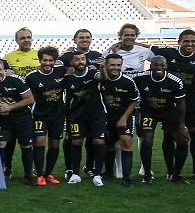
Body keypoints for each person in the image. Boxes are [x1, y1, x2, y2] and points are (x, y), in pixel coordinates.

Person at [151, 29, 195, 181]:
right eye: (186, 41)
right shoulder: (168, 53)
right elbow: (147, 48)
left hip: (191, 102)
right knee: (169, 135)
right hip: (171, 103)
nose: (189, 44)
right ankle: (170, 171)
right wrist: (120, 44)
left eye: (192, 41)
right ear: (179, 42)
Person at [0, 59, 38, 185]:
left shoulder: (16, 80)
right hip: (3, 119)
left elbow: (29, 99)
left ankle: (29, 174)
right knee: (1, 143)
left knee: (25, 145)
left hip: (22, 118)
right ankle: (3, 172)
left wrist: (11, 107)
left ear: (4, 70)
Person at [135, 54, 188, 185]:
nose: (159, 67)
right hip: (148, 112)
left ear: (166, 66)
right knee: (147, 140)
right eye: (156, 64)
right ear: (150, 66)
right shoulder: (140, 78)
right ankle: (147, 174)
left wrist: (181, 124)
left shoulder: (175, 80)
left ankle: (175, 174)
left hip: (169, 113)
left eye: (162, 65)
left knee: (182, 141)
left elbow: (181, 105)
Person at [63, 50, 108, 186]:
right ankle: (75, 174)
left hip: (97, 114)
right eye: (77, 59)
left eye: (83, 59)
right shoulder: (68, 77)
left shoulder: (92, 72)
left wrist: (102, 67)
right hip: (77, 116)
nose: (81, 61)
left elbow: (102, 78)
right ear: (72, 62)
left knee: (99, 142)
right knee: (76, 142)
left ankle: (98, 174)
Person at [25, 46, 68, 185]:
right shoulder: (32, 77)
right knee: (39, 142)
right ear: (40, 60)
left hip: (57, 114)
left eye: (51, 60)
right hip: (39, 115)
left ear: (55, 61)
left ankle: (48, 173)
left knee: (55, 144)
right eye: (45, 60)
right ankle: (39, 174)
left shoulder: (61, 72)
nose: (47, 63)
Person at [97, 54, 141, 185]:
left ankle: (126, 178)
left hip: (124, 116)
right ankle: (108, 172)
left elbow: (134, 101)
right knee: (108, 145)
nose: (116, 68)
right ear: (106, 65)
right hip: (106, 117)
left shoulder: (128, 81)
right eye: (112, 65)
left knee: (126, 141)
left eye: (118, 65)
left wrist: (124, 118)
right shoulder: (101, 80)